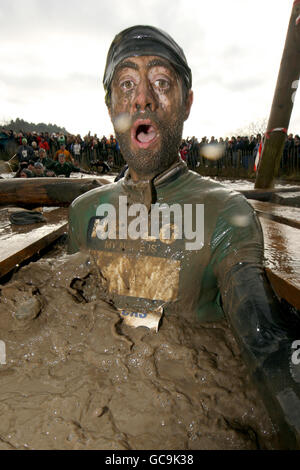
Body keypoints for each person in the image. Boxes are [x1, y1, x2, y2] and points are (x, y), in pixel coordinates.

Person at [68, 25, 300, 445]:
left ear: (186, 103)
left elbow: (269, 344)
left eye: (161, 81)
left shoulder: (227, 214)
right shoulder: (85, 213)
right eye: (126, 83)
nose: (143, 97)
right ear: (111, 105)